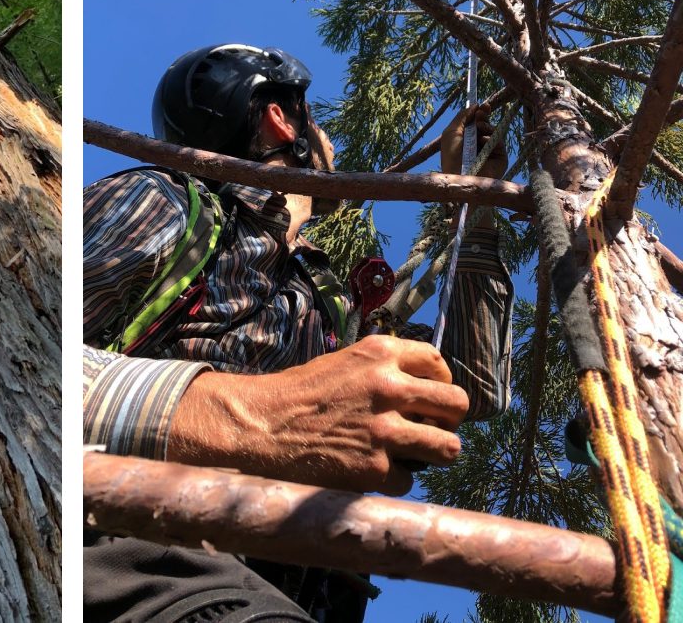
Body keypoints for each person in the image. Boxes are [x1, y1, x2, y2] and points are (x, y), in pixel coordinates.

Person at [83, 44, 513, 623]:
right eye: (316, 118)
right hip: (138, 553)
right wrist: (254, 415)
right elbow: (25, 354)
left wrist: (476, 208)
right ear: (281, 119)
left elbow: (472, 391)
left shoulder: (333, 306)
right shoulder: (164, 204)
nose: (328, 139)